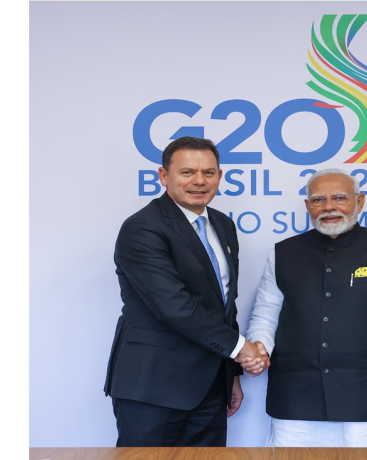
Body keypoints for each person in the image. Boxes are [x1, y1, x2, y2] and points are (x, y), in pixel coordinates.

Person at [245, 168, 367, 448]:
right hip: (297, 402)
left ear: (359, 202)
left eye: (339, 197)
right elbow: (265, 314)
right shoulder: (283, 253)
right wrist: (260, 346)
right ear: (307, 206)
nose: (329, 207)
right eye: (318, 200)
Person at [103, 137, 268, 447]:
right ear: (164, 176)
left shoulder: (222, 224)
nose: (198, 181)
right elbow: (173, 306)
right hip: (153, 387)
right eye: (187, 172)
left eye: (208, 172)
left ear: (220, 176)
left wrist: (230, 373)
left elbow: (224, 305)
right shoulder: (142, 228)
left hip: (209, 387)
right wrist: (241, 349)